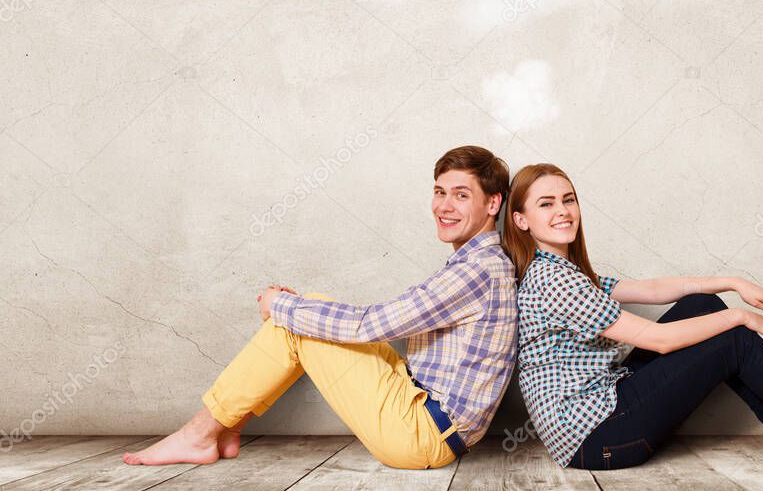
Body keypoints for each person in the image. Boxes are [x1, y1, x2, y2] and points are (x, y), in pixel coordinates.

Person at [501, 162, 763, 470]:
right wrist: (740, 317)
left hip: (603, 412)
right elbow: (659, 340)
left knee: (703, 306)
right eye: (546, 204)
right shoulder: (553, 281)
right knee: (732, 337)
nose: (563, 211)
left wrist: (731, 282)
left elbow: (648, 290)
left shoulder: (566, 272)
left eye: (568, 199)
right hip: (598, 440)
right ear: (521, 220)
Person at [124, 146, 518, 470]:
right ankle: (221, 429)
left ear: (492, 203)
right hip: (424, 413)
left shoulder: (477, 271)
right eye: (439, 191)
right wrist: (295, 308)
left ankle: (201, 434)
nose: (444, 206)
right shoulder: (480, 263)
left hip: (423, 435)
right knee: (308, 312)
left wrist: (281, 305)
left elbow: (371, 325)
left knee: (297, 318)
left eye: (461, 195)